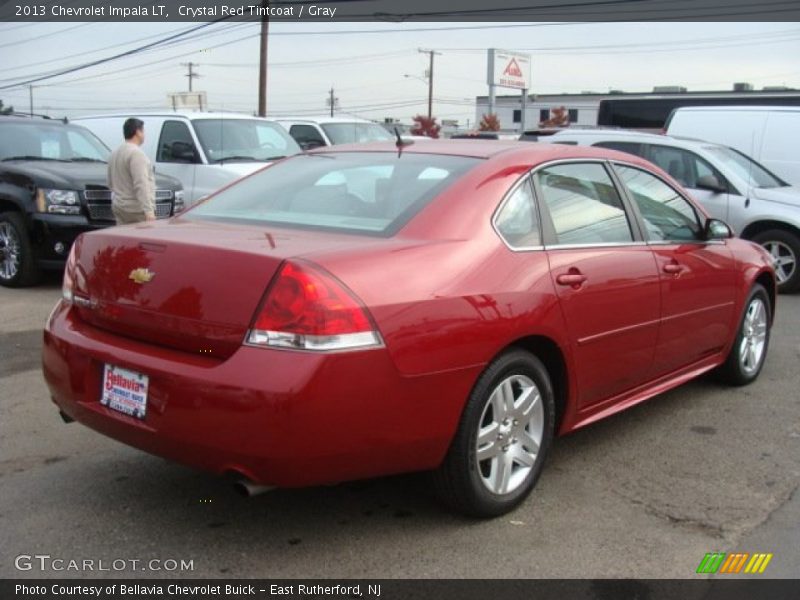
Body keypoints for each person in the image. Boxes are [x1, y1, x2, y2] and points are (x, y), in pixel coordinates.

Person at [107, 118, 156, 224]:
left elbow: (110, 183)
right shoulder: (136, 154)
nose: (144, 134)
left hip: (119, 208)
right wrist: (149, 211)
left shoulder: (114, 154)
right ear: (138, 132)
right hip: (136, 211)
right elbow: (141, 184)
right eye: (143, 131)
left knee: (123, 239)